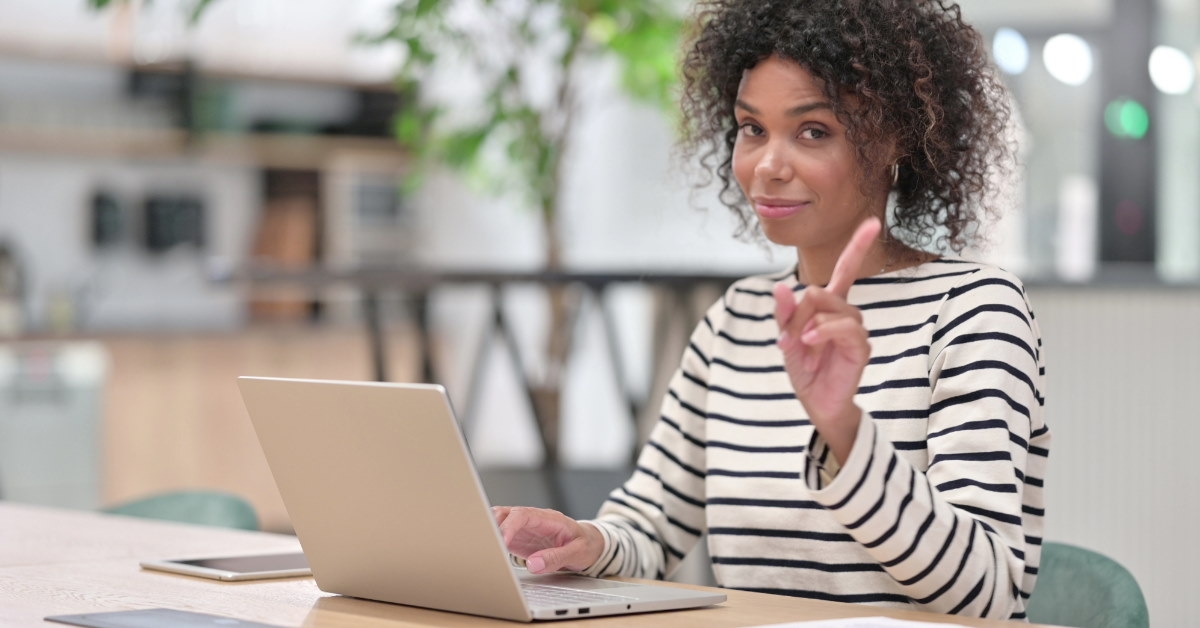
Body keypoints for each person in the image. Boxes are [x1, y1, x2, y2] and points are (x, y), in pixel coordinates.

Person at [493, 0, 1050, 620]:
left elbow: (986, 595)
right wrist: (586, 542)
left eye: (814, 131)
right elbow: (651, 527)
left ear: (892, 138)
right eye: (752, 128)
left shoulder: (972, 311)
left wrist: (844, 430)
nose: (768, 166)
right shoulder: (737, 319)